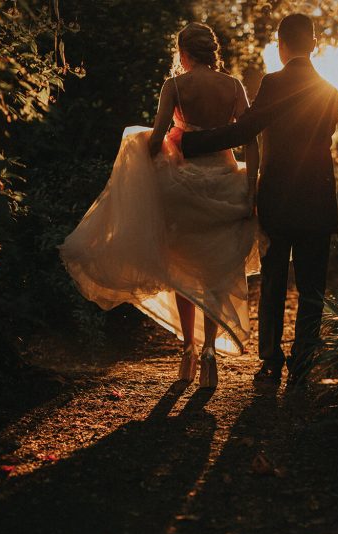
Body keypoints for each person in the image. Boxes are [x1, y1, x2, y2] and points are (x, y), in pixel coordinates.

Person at [59, 23, 262, 388]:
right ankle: (210, 353)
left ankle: (188, 350)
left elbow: (155, 138)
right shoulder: (234, 86)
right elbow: (250, 141)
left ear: (183, 51)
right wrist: (250, 189)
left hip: (181, 186)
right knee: (216, 273)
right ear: (211, 51)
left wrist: (136, 150)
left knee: (182, 272)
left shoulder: (175, 86)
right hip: (227, 182)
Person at [181, 13, 338, 387]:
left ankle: (270, 364)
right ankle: (303, 364)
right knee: (312, 287)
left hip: (277, 200)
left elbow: (243, 131)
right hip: (317, 199)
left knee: (272, 282)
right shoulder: (331, 92)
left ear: (280, 46)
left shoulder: (274, 83)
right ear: (314, 44)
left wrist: (190, 142)